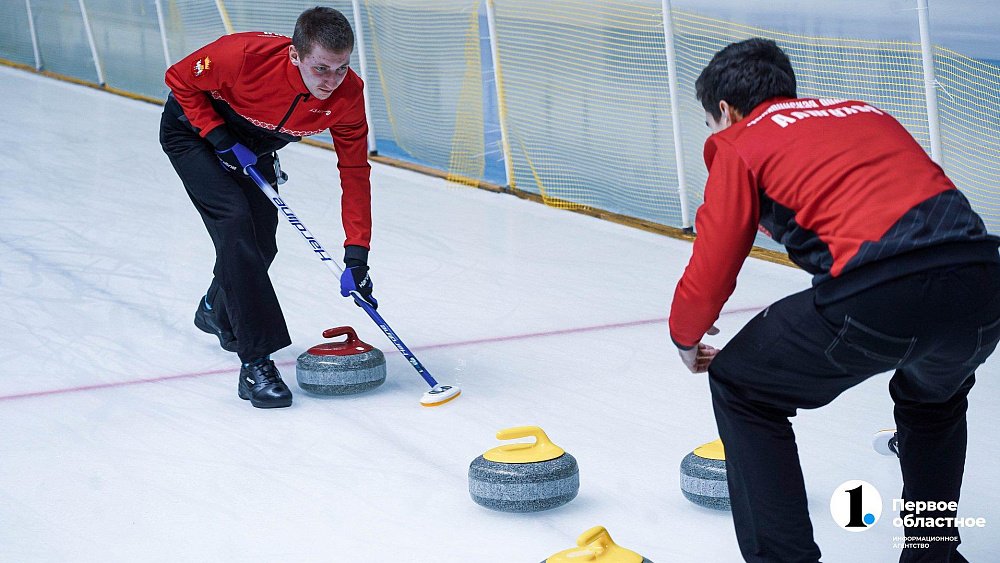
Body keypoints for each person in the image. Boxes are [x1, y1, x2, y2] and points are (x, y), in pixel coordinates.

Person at [669, 38, 1000, 562]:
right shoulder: (865, 112)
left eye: (710, 123)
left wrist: (685, 336)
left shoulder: (739, 140)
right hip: (983, 286)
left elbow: (715, 260)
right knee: (933, 403)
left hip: (881, 292)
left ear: (725, 112)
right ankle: (932, 556)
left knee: (741, 384)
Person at [159, 7, 377, 409]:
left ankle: (215, 310)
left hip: (253, 148)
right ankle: (256, 363)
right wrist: (219, 137)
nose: (331, 81)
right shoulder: (243, 56)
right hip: (193, 133)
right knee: (235, 220)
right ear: (295, 55)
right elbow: (178, 79)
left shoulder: (348, 95)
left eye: (342, 68)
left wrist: (357, 255)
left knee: (261, 245)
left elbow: (354, 171)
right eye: (321, 68)